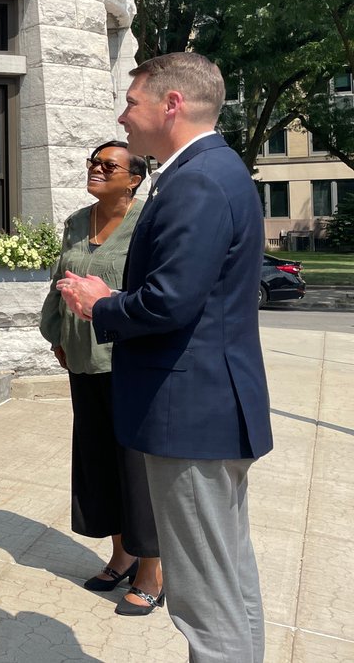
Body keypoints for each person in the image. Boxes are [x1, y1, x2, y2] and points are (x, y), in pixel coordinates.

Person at [59, 52, 272, 663]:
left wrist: (100, 304)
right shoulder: (213, 169)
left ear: (171, 104)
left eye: (132, 101)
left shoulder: (197, 179)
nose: (123, 117)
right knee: (227, 576)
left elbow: (170, 302)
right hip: (208, 410)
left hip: (190, 418)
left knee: (204, 598)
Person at [39, 141, 163, 616]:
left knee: (135, 468)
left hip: (127, 363)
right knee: (98, 461)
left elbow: (151, 293)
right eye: (93, 162)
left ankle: (152, 571)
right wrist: (55, 334)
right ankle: (122, 555)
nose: (96, 169)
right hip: (82, 361)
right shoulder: (76, 221)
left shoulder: (146, 225)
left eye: (108, 165)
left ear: (134, 178)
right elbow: (60, 280)